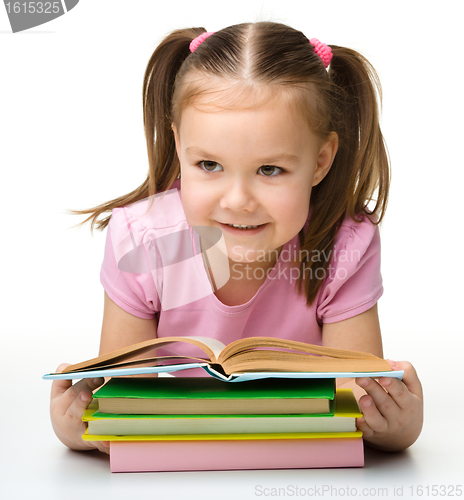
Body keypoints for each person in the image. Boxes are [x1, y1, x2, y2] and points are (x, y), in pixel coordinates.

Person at [50, 22, 423, 455]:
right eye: (209, 165)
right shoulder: (142, 240)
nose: (238, 200)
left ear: (320, 162)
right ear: (179, 143)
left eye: (270, 170)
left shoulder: (345, 246)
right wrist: (81, 426)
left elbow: (354, 405)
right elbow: (125, 404)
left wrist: (396, 427)